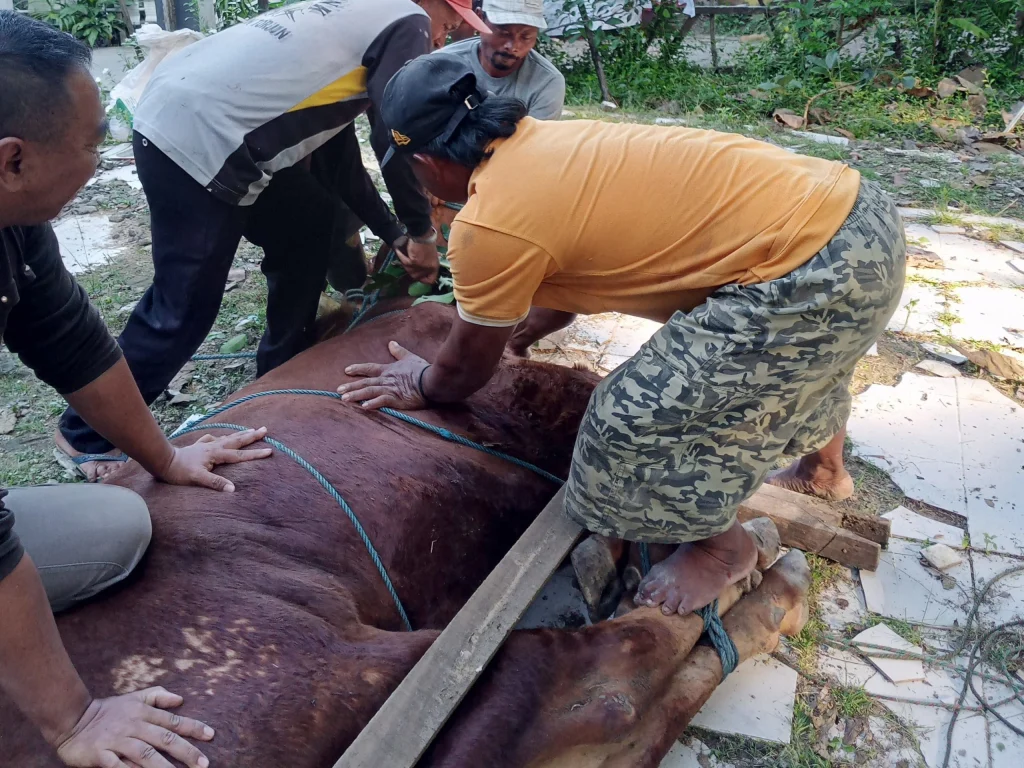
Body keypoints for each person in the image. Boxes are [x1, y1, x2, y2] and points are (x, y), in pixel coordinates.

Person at [338, 53, 905, 616]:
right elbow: (564, 287)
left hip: (815, 276)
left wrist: (425, 380)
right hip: (857, 217)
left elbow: (462, 373)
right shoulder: (542, 143)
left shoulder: (488, 223)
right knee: (805, 355)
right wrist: (521, 333)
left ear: (430, 163)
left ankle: (722, 550)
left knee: (624, 423)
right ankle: (824, 472)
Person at [56, 0, 490, 479]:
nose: (440, 41)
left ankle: (281, 366)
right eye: (447, 26)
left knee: (309, 221)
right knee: (183, 307)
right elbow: (395, 135)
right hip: (198, 136)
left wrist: (393, 233)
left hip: (187, 108)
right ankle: (83, 435)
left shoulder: (354, 20)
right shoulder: (404, 17)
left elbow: (341, 165)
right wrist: (421, 231)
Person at [0, 13, 272, 768]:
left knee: (113, 529)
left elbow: (71, 343)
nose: (102, 158)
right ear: (12, 159)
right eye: (91, 142)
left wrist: (166, 457)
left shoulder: (10, 218)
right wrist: (73, 720)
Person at [441, 0, 572, 355]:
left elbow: (530, 162)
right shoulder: (445, 65)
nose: (512, 46)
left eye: (525, 37)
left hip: (508, 194)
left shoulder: (546, 82)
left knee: (560, 302)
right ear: (481, 23)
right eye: (503, 33)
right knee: (424, 275)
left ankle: (513, 345)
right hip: (443, 186)